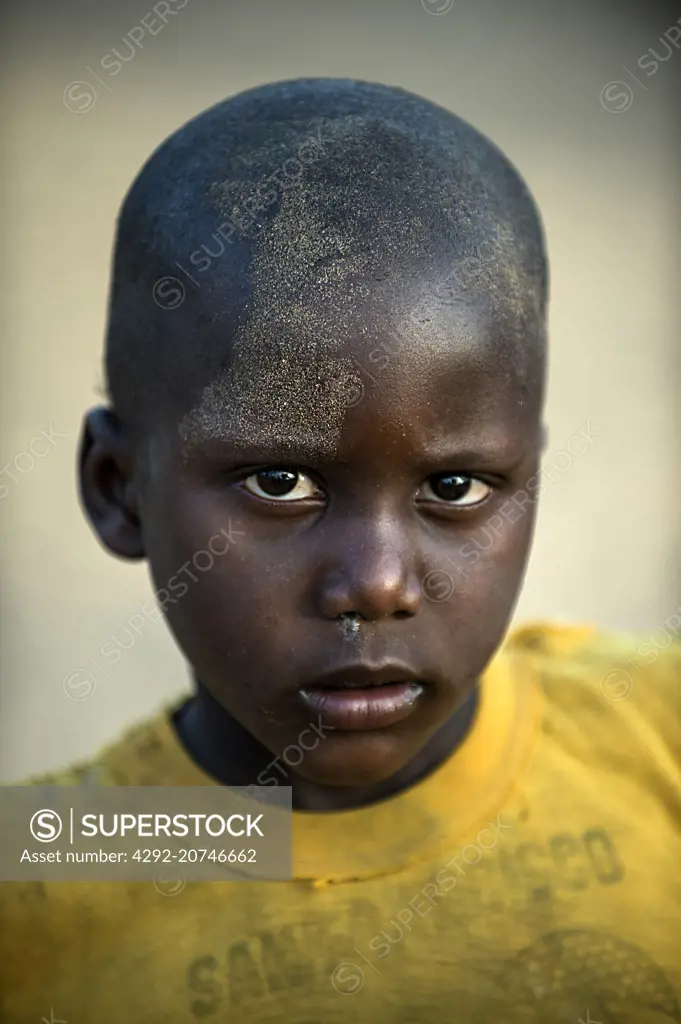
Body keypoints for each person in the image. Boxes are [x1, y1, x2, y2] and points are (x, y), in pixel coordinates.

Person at [2, 78, 679, 1024]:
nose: (377, 584)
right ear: (119, 491)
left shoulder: (655, 736)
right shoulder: (56, 871)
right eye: (279, 483)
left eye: (454, 488)